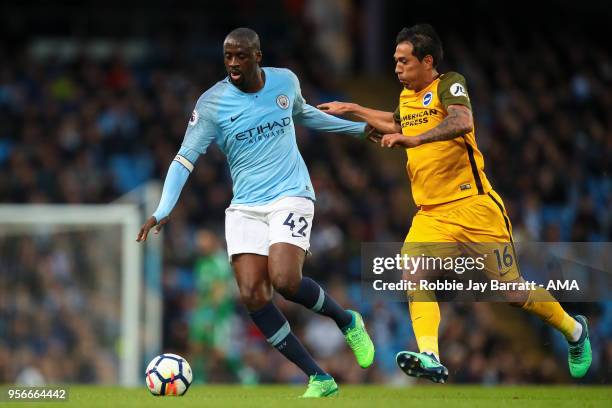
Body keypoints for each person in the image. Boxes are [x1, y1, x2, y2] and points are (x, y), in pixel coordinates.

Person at [318, 23, 591, 383]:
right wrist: (353, 108)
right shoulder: (406, 97)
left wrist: (415, 141)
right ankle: (429, 354)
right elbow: (395, 122)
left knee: (510, 292)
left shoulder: (448, 84)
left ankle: (574, 331)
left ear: (427, 61)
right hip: (431, 214)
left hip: (475, 207)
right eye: (395, 61)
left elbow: (462, 121)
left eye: (404, 61)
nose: (397, 68)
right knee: (412, 271)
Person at [136, 27, 375, 398]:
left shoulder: (284, 82)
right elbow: (184, 159)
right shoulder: (212, 103)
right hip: (246, 207)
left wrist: (359, 130)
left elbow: (306, 115)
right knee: (252, 294)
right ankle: (319, 377)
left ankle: (347, 321)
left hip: (291, 194)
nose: (233, 63)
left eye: (241, 55)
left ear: (257, 56)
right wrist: (163, 208)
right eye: (228, 56)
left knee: (284, 280)